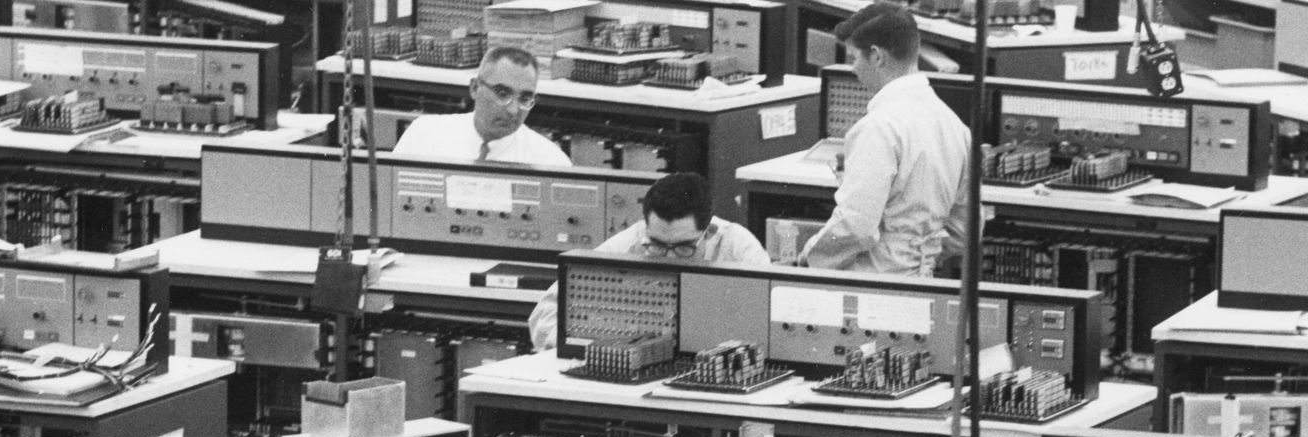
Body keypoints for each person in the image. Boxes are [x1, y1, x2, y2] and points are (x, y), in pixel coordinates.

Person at [798, 2, 970, 277]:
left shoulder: (878, 128)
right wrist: (920, 255)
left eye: (854, 57)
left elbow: (856, 226)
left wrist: (808, 258)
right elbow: (964, 230)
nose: (853, 68)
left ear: (877, 56)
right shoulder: (956, 127)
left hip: (871, 284)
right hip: (925, 283)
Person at [527, 171, 770, 351]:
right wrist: (593, 349)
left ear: (710, 232)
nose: (669, 259)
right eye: (657, 246)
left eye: (684, 248)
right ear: (645, 226)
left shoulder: (740, 250)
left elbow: (768, 325)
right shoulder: (627, 245)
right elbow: (546, 314)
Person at [391, 46, 570, 165]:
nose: (513, 110)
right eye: (502, 94)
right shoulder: (423, 136)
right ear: (475, 88)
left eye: (525, 99)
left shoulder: (550, 161)